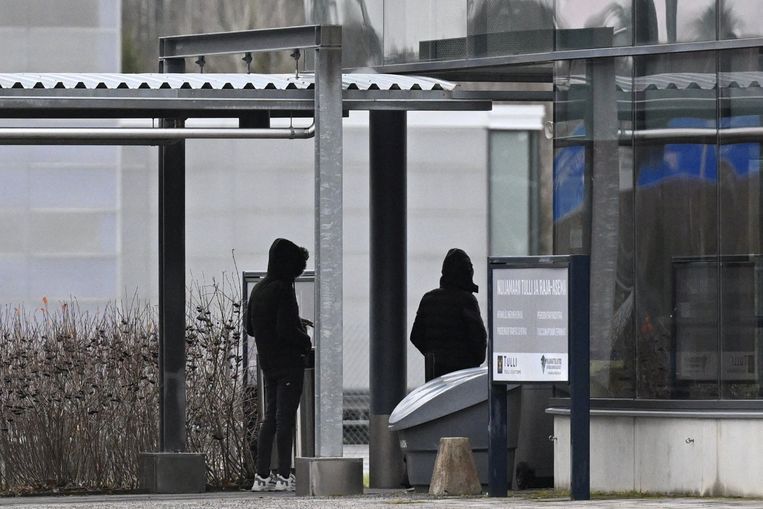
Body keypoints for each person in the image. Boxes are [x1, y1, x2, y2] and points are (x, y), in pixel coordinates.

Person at [246, 238, 312, 492]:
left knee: (270, 419)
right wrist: (304, 339)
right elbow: (286, 329)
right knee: (286, 420)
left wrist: (290, 323)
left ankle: (261, 476)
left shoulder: (259, 289)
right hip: (288, 363)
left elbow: (251, 328)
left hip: (268, 363)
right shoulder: (284, 289)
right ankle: (285, 475)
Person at [410, 248, 487, 382]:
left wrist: (433, 355)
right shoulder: (467, 301)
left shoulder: (428, 299)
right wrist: (470, 360)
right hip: (462, 376)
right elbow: (478, 340)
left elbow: (415, 336)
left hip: (435, 376)